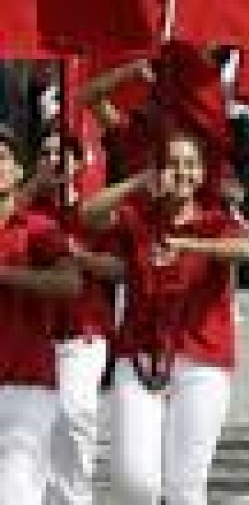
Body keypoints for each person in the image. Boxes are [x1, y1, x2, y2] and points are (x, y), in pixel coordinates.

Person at [79, 130, 249, 505]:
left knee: (185, 487)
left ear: (202, 173)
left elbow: (244, 249)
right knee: (133, 480)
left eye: (190, 165)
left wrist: (187, 245)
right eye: (172, 164)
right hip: (139, 356)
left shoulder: (216, 220)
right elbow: (88, 215)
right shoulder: (137, 216)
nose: (182, 173)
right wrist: (138, 181)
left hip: (203, 359)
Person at [28, 131, 114, 505]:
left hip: (84, 333)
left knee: (74, 413)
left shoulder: (95, 211)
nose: (54, 160)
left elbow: (120, 269)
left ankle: (75, 497)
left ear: (79, 163)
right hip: (32, 337)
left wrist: (77, 255)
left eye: (61, 153)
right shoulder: (20, 208)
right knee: (33, 428)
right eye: (45, 153)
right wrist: (34, 187)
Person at [0, 126, 82, 505]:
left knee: (15, 494)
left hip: (27, 384)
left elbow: (70, 283)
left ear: (19, 171)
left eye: (2, 158)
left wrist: (7, 275)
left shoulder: (39, 228)